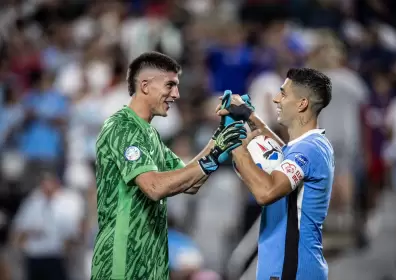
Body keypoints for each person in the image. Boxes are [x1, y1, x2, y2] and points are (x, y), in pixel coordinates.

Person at [90, 51, 247, 280]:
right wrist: (215, 149)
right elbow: (154, 188)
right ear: (145, 86)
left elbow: (189, 181)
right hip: (122, 262)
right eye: (170, 86)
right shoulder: (122, 128)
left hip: (152, 261)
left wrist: (220, 136)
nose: (176, 94)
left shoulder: (150, 135)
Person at [219, 68, 333, 280]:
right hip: (286, 268)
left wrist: (235, 145)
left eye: (283, 94)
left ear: (302, 103)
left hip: (292, 270)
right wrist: (248, 115)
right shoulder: (306, 146)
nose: (276, 99)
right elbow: (283, 151)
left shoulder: (309, 149)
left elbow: (266, 192)